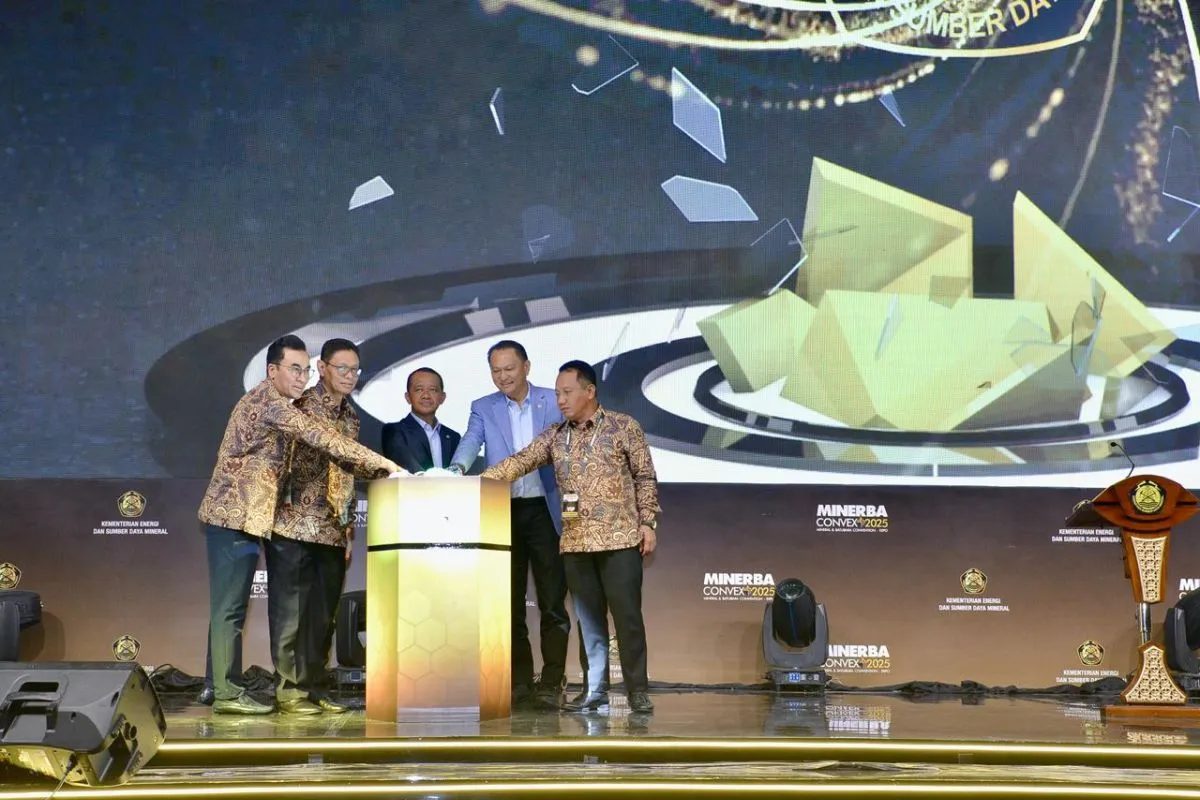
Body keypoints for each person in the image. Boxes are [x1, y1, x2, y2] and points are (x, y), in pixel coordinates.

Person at [198, 334, 405, 715]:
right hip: (242, 516)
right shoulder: (275, 405)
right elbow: (324, 440)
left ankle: (244, 688)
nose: (301, 377)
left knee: (279, 612)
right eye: (296, 369)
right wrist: (388, 465)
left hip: (265, 520)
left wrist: (348, 524)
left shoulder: (341, 413)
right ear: (272, 370)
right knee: (235, 609)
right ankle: (229, 691)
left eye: (304, 370)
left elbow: (342, 466)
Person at [482, 360, 659, 715]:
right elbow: (518, 462)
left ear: (589, 391)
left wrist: (648, 522)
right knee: (588, 622)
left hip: (620, 540)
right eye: (558, 393)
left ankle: (638, 690)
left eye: (567, 393)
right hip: (576, 544)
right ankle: (595, 691)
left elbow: (645, 477)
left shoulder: (624, 426)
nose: (560, 400)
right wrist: (473, 481)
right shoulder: (555, 435)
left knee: (627, 619)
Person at [448, 340, 571, 709]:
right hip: (504, 512)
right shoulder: (483, 406)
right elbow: (471, 442)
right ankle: (519, 682)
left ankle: (552, 680)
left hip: (547, 511)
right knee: (508, 603)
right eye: (496, 370)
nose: (503, 376)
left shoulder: (554, 400)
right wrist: (456, 469)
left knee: (552, 601)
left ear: (526, 367)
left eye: (509, 369)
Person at [268, 338, 372, 715]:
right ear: (323, 368)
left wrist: (347, 529)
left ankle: (314, 687)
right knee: (291, 614)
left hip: (331, 530)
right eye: (342, 368)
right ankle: (289, 691)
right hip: (293, 525)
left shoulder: (351, 416)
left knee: (323, 616)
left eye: (355, 369)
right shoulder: (300, 406)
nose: (349, 375)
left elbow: (346, 476)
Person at [381, 367, 462, 473]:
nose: (426, 396)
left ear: (442, 397)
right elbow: (407, 467)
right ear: (408, 397)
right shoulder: (394, 431)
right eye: (419, 389)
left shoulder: (453, 437)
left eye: (433, 390)